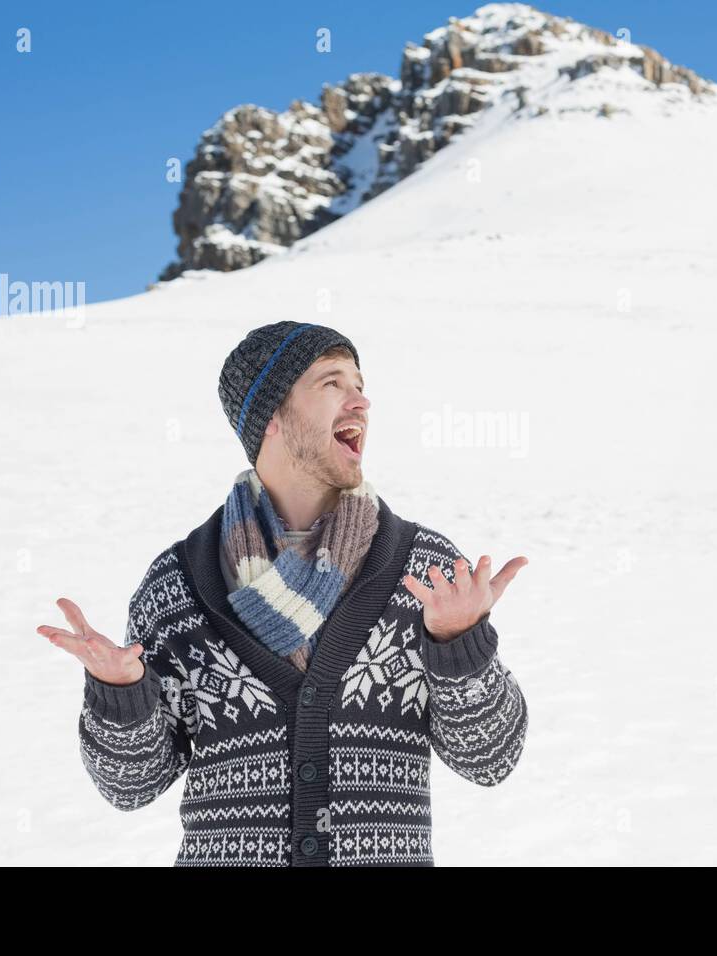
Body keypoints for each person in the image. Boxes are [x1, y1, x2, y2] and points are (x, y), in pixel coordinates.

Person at [37, 321, 529, 866]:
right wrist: (121, 692)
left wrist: (461, 647)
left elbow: (491, 758)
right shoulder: (177, 585)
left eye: (360, 384)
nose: (361, 401)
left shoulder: (426, 571)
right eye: (332, 383)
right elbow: (130, 787)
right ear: (270, 416)